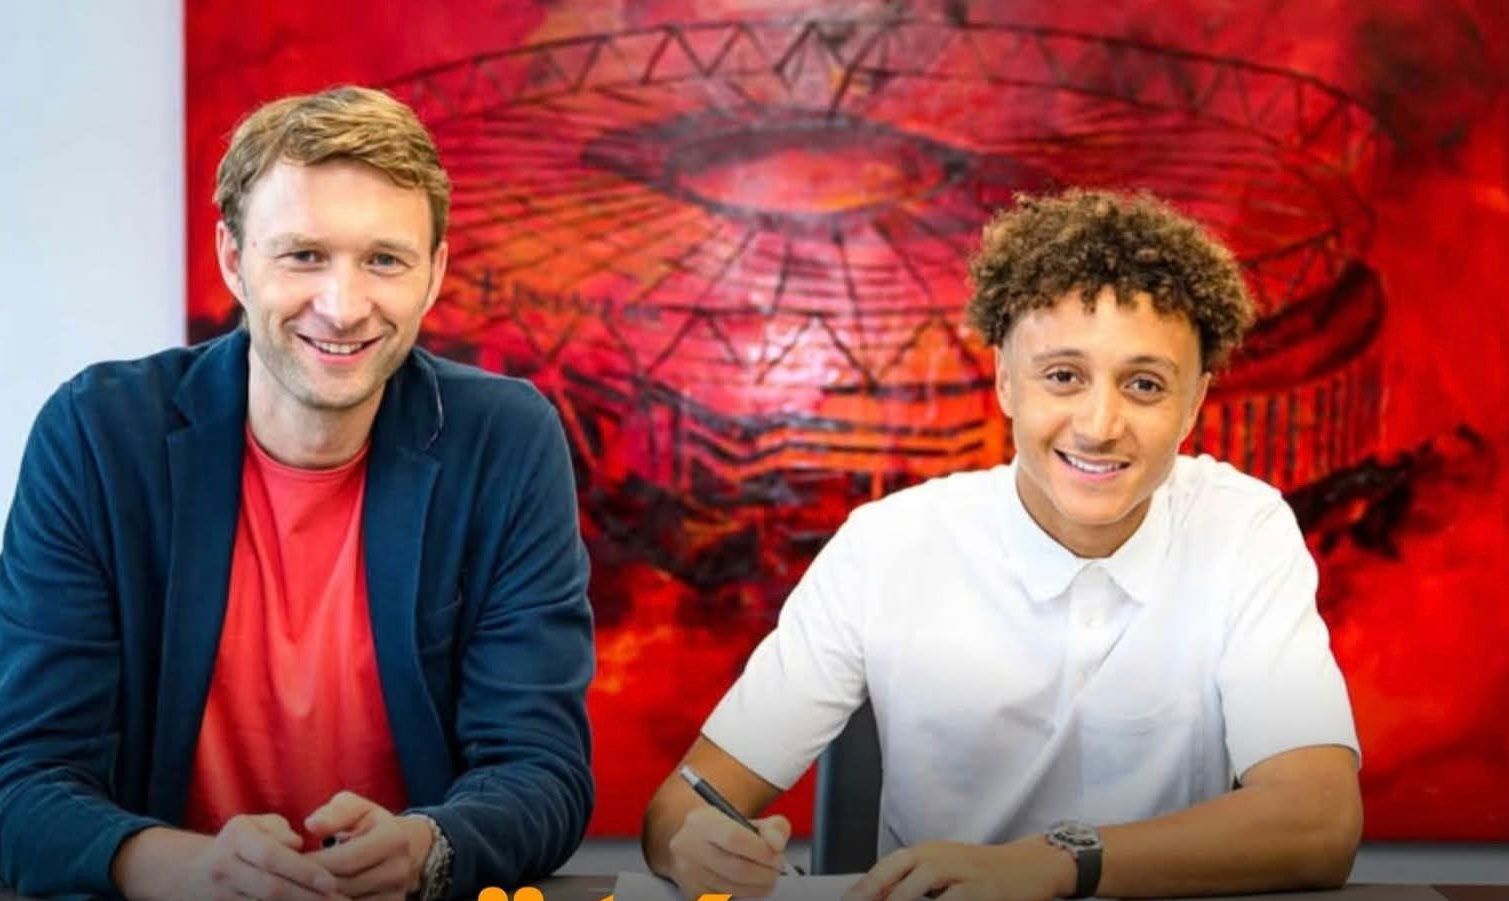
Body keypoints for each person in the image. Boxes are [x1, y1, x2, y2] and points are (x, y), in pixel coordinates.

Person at [641, 190, 1362, 901]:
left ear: (1193, 402)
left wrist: (1055, 863)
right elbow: (679, 809)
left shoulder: (1242, 528)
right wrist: (698, 848)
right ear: (1005, 381)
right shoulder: (886, 546)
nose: (1099, 425)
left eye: (1144, 385)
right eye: (1062, 377)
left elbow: (1319, 822)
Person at [0, 86, 594, 900]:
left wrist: (430, 848)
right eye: (304, 255)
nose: (343, 307)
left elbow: (542, 769)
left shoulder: (507, 440)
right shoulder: (96, 438)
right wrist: (189, 868)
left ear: (433, 274)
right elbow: (25, 779)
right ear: (233, 260)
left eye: (383, 260)